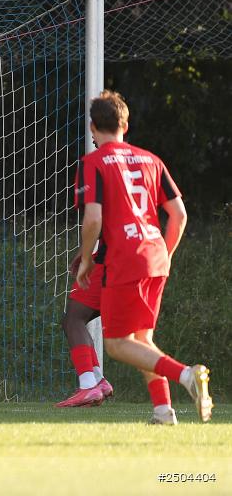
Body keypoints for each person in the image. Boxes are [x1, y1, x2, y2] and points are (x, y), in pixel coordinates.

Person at [75, 90, 212, 424]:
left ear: (93, 127)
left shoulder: (93, 163)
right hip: (156, 255)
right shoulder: (152, 160)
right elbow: (179, 215)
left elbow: (93, 220)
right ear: (125, 124)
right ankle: (163, 411)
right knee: (142, 340)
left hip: (124, 259)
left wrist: (86, 258)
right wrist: (166, 253)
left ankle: (186, 375)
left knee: (117, 344)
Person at [55, 248, 113, 408]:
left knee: (73, 320)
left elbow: (94, 229)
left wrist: (84, 256)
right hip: (140, 265)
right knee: (74, 320)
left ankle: (88, 386)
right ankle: (98, 381)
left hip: (108, 262)